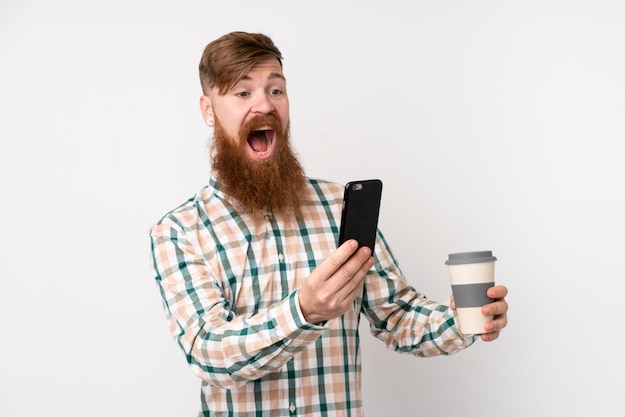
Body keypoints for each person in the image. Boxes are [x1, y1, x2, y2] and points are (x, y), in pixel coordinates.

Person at [149, 31, 509, 417]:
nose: (264, 105)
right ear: (208, 109)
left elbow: (397, 315)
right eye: (242, 93)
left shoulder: (340, 206)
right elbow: (210, 354)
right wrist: (304, 311)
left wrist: (463, 321)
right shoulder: (180, 231)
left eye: (276, 90)